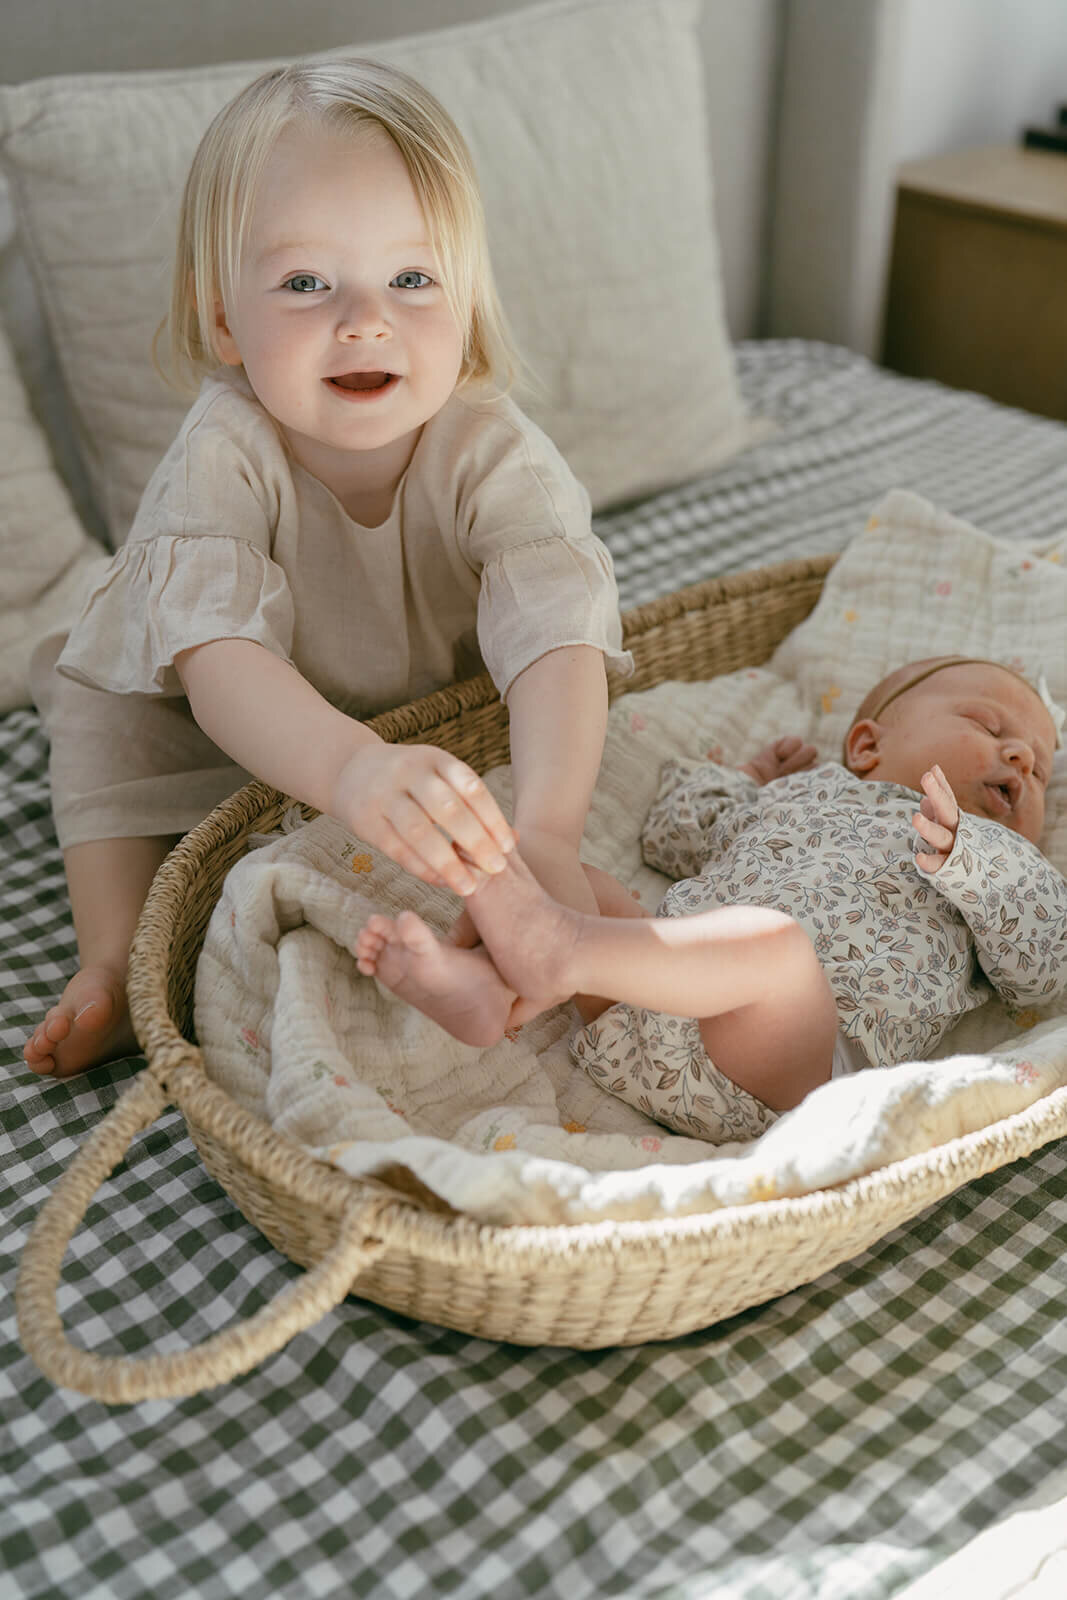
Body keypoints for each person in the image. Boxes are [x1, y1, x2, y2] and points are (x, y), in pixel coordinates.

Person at [24, 59, 631, 1079]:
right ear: (223, 319)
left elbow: (557, 626)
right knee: (98, 716)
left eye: (411, 278)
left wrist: (548, 831)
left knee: (549, 700)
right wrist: (346, 768)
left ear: (467, 301)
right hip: (235, 725)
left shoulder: (490, 446)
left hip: (421, 711)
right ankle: (115, 963)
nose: (364, 319)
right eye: (307, 283)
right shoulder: (225, 448)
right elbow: (215, 655)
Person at [355, 656, 1067, 1142]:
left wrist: (970, 859)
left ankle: (551, 952)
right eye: (992, 728)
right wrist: (750, 779)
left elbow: (1042, 964)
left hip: (792, 1064)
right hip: (649, 991)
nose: (1019, 760)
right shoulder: (801, 793)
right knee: (567, 875)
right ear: (865, 746)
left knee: (771, 946)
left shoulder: (1001, 865)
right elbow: (677, 832)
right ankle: (487, 992)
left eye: (1036, 767)